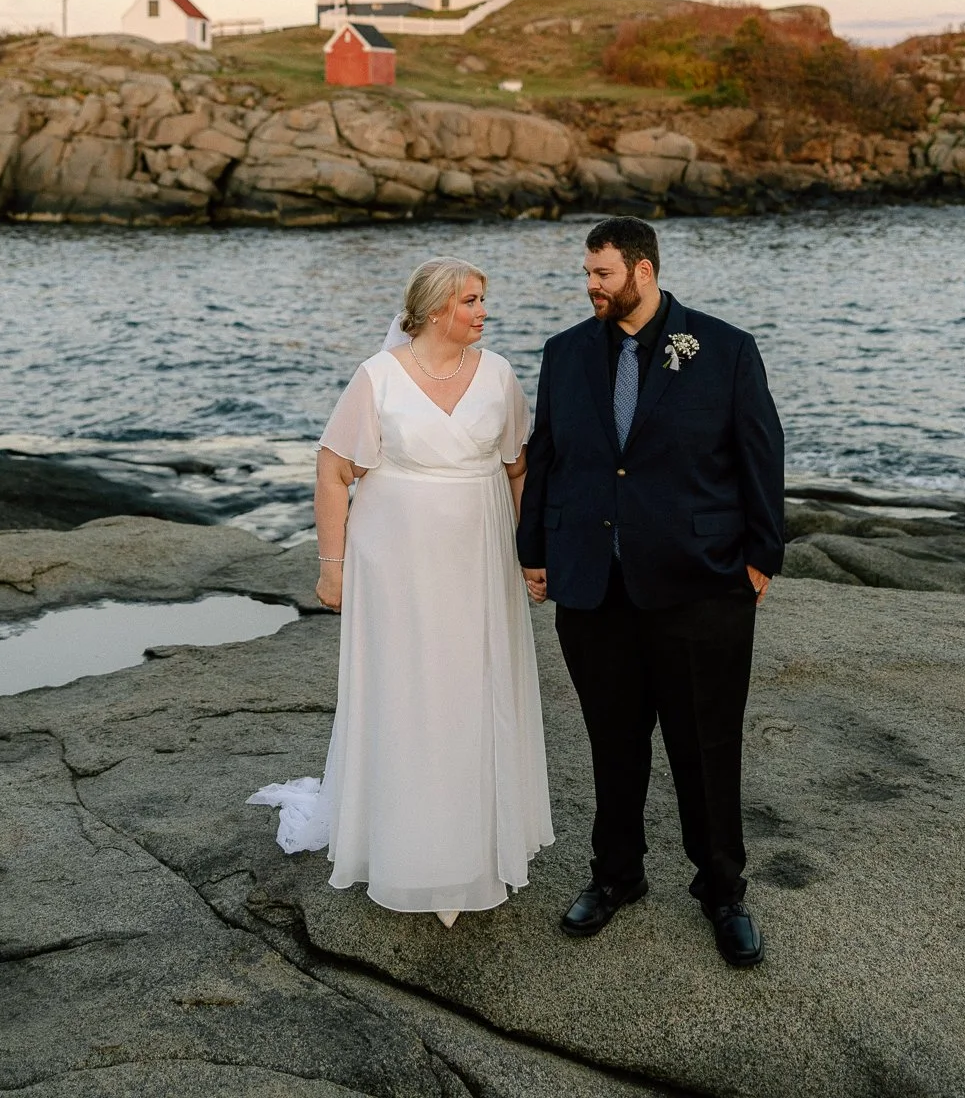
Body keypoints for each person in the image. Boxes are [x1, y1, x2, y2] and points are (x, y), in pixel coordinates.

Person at [249, 257, 553, 927]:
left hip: (478, 559)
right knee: (410, 692)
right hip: (397, 564)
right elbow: (333, 471)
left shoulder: (499, 376)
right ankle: (408, 850)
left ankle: (475, 846)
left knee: (475, 691)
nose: (482, 311)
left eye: (482, 301)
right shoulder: (378, 378)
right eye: (471, 300)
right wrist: (333, 566)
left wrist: (531, 553)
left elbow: (519, 469)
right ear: (437, 308)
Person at [517, 218, 784, 967]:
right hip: (594, 586)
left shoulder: (724, 348)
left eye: (602, 273)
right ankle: (617, 876)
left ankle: (723, 891)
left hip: (701, 585)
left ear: (642, 270)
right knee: (613, 741)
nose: (591, 286)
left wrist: (762, 555)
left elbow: (761, 451)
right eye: (587, 274)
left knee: (707, 746)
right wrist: (533, 549)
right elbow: (548, 455)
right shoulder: (564, 352)